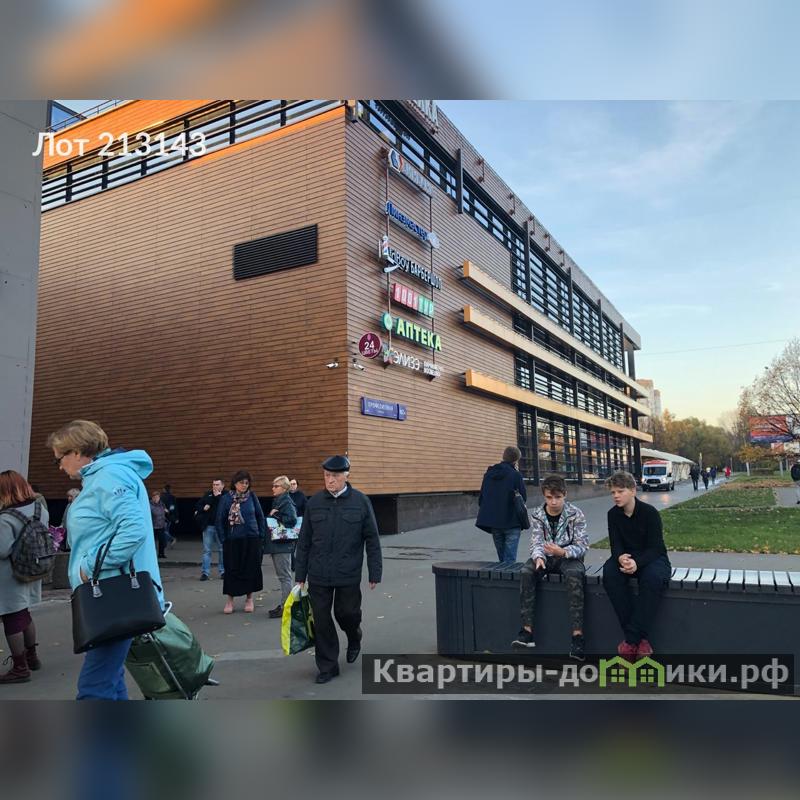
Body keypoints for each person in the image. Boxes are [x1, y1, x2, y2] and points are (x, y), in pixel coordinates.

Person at [47, 419, 164, 700]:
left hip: (112, 595)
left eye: (59, 459)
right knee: (110, 680)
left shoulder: (109, 476)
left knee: (94, 687)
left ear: (77, 452)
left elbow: (132, 530)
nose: (60, 466)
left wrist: (89, 567)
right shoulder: (105, 476)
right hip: (112, 593)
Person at [294, 455, 382, 684]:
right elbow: (304, 541)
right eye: (326, 475)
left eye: (334, 476)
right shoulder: (314, 503)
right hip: (318, 573)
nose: (330, 480)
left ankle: (354, 635)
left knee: (347, 614)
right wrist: (300, 574)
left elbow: (372, 539)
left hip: (347, 572)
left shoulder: (360, 501)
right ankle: (328, 666)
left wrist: (375, 571)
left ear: (346, 476)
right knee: (321, 621)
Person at [511, 475, 588, 660]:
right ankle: (527, 632)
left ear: (565, 495)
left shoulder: (576, 514)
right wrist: (538, 557)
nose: (553, 502)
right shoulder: (538, 514)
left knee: (574, 575)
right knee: (526, 572)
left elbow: (582, 545)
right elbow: (536, 542)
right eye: (549, 497)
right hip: (546, 557)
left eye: (558, 497)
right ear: (544, 496)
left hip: (568, 557)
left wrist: (563, 551)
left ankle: (577, 637)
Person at [602, 471, 671, 660]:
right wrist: (620, 558)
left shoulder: (649, 513)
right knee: (610, 574)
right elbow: (615, 544)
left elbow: (656, 547)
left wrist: (637, 563)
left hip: (652, 557)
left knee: (653, 579)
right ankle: (640, 641)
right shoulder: (613, 514)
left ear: (633, 490)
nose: (616, 496)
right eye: (613, 492)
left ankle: (631, 640)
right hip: (626, 557)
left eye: (620, 491)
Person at [0, 471, 49, 684]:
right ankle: (32, 657)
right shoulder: (40, 509)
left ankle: (20, 668)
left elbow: (2, 550)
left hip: (10, 575)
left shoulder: (5, 518)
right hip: (33, 568)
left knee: (12, 617)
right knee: (24, 614)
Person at [216, 471, 265, 614]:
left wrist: (261, 536)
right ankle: (230, 600)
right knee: (232, 569)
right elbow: (219, 520)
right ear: (235, 483)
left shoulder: (252, 497)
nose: (244, 485)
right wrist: (224, 539)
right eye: (241, 482)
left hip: (251, 538)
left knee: (250, 568)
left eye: (246, 483)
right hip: (233, 540)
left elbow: (260, 516)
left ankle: (249, 598)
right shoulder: (226, 499)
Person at [475, 445, 527, 562]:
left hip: (495, 523)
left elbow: (482, 498)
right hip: (512, 522)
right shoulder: (516, 475)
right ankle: (509, 574)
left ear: (503, 457)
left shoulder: (489, 475)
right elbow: (523, 498)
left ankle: (503, 573)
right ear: (516, 460)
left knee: (502, 560)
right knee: (509, 560)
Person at [264, 475, 297, 618]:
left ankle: (287, 607)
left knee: (285, 577)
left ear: (284, 488)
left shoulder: (286, 502)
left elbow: (292, 520)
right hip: (279, 543)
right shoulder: (280, 501)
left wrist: (276, 516)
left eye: (276, 486)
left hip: (282, 544)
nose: (273, 488)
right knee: (284, 576)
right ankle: (286, 604)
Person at [194, 478, 225, 580]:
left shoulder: (226, 495)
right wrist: (203, 508)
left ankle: (223, 571)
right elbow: (198, 505)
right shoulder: (208, 494)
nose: (215, 486)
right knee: (207, 550)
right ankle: (205, 573)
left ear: (222, 486)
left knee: (222, 549)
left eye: (217, 484)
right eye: (213, 484)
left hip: (221, 527)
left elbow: (226, 506)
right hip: (209, 526)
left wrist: (218, 497)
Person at [149, 491, 168, 559]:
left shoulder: (162, 504)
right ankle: (151, 555)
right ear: (152, 498)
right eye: (154, 497)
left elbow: (164, 511)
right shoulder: (149, 505)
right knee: (151, 542)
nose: (156, 499)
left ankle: (161, 553)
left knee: (162, 541)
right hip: (153, 526)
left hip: (161, 525)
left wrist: (166, 511)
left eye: (157, 497)